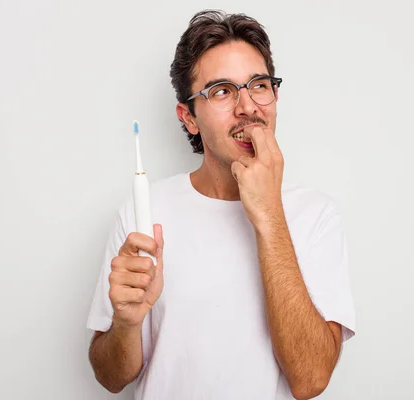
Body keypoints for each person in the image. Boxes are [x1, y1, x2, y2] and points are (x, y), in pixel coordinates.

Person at [86, 9, 356, 400]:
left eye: (259, 85)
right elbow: (110, 377)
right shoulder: (144, 212)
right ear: (189, 117)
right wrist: (127, 325)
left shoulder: (317, 216)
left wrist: (268, 215)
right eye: (222, 91)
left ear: (275, 95)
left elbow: (310, 379)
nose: (248, 107)